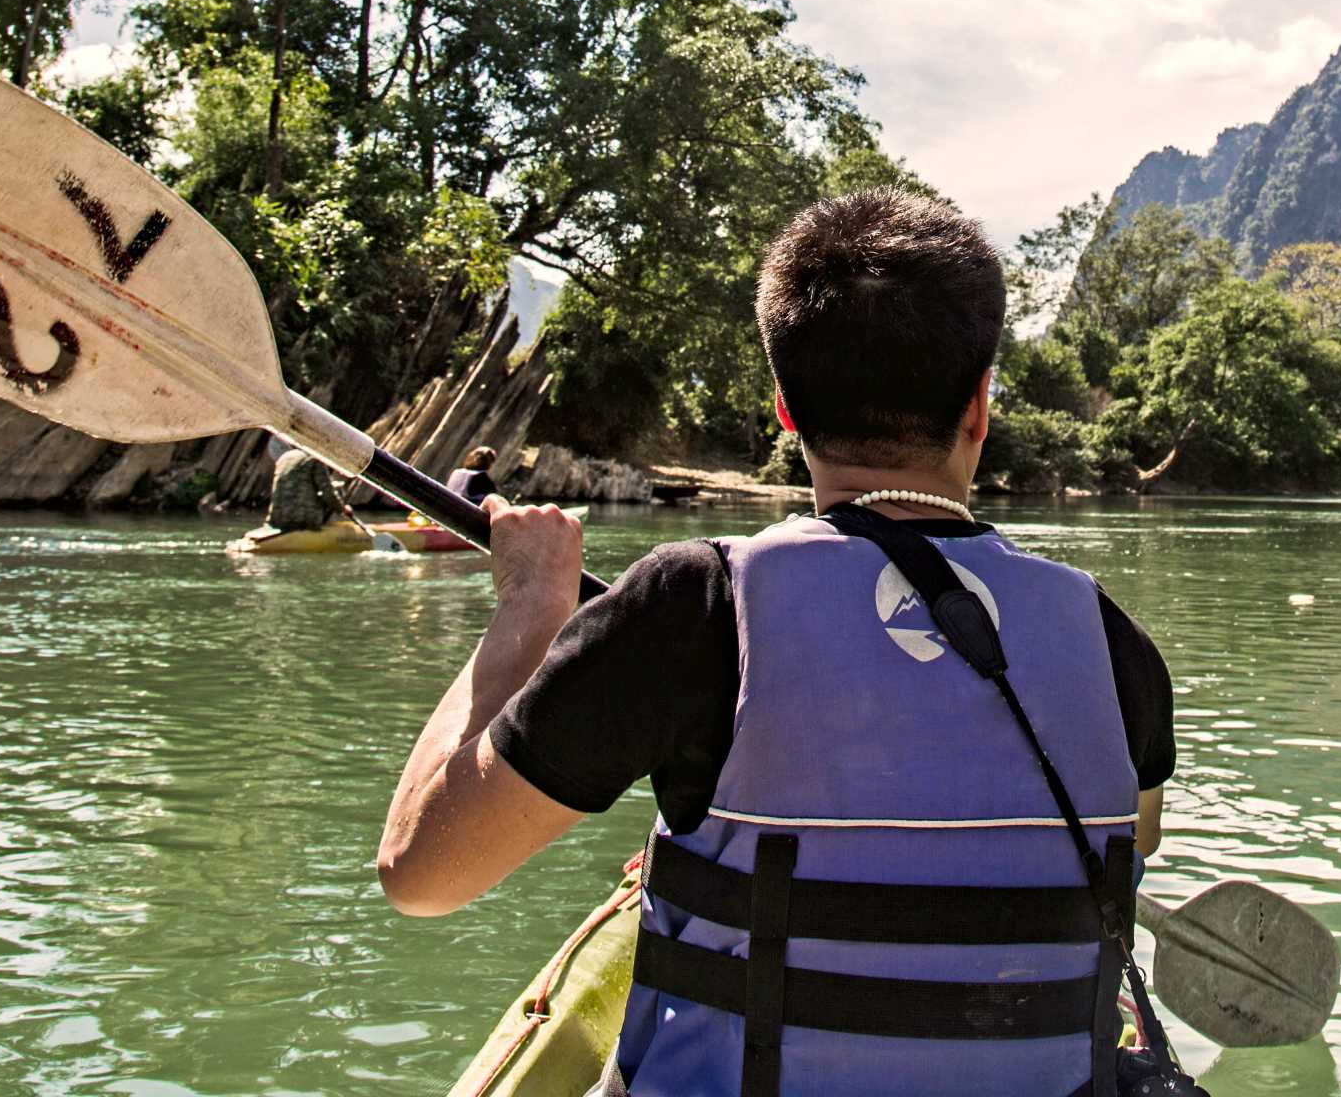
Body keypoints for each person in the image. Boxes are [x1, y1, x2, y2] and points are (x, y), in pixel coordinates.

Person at [378, 190, 1175, 1095]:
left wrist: (527, 607)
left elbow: (422, 873)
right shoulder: (1111, 640)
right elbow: (1122, 845)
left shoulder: (694, 606)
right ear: (980, 408)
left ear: (785, 413)